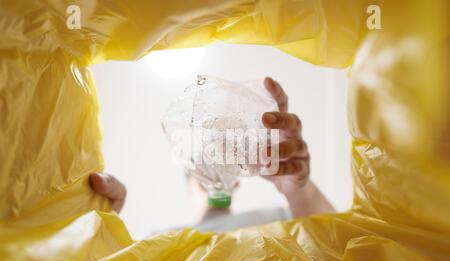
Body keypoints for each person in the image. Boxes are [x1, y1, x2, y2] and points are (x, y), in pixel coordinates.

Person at [89, 77, 335, 232]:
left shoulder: (280, 220)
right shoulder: (164, 240)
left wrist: (300, 191)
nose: (215, 175)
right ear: (189, 186)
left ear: (237, 180)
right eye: (203, 167)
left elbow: (335, 252)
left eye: (222, 164)